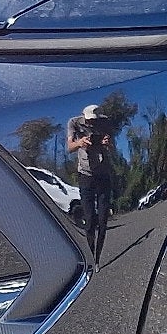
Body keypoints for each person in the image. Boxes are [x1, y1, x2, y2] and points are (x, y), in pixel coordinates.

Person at [66, 104, 118, 256]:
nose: (91, 123)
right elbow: (70, 147)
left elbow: (113, 149)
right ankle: (90, 252)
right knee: (89, 219)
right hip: (85, 175)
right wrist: (80, 143)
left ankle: (98, 254)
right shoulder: (74, 123)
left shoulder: (105, 122)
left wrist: (108, 143)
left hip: (103, 174)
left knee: (102, 219)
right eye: (89, 120)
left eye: (94, 120)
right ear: (84, 116)